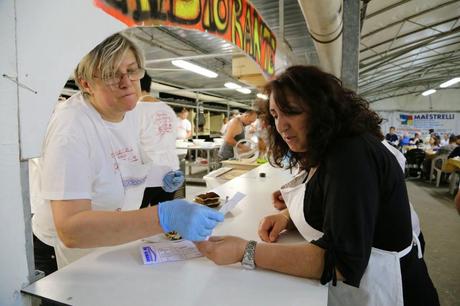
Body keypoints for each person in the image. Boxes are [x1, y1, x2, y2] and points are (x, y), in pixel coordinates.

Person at [197, 65, 439, 306]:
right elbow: (338, 205)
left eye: (291, 111)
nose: (281, 126)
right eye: (275, 115)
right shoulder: (327, 146)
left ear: (322, 108)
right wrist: (287, 217)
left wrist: (245, 250)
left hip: (392, 292)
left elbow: (341, 261)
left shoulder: (351, 154)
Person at [31, 33, 223, 269]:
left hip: (107, 239)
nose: (127, 82)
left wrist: (156, 176)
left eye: (132, 70)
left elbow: (118, 163)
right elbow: (71, 230)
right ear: (85, 83)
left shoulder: (128, 111)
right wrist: (163, 217)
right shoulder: (71, 129)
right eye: (112, 75)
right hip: (62, 254)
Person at [137, 72, 183, 208]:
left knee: (139, 220)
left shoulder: (136, 110)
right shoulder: (167, 109)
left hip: (147, 176)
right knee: (163, 219)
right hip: (170, 173)